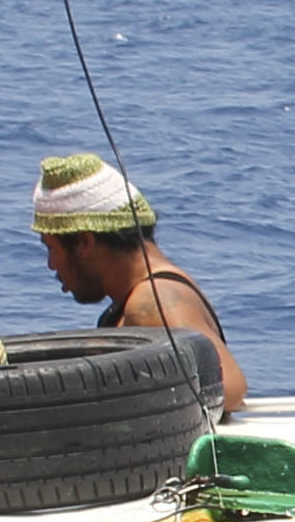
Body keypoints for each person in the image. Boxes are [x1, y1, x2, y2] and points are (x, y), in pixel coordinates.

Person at [28, 152, 244, 418]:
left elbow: (230, 388)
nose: (51, 264)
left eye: (50, 248)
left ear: (85, 242)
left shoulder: (152, 303)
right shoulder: (152, 291)